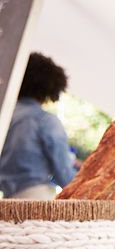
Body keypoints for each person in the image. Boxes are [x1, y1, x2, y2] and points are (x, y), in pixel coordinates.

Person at [0, 52, 78, 199]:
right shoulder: (44, 120)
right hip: (36, 199)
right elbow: (64, 173)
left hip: (6, 201)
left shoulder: (5, 115)